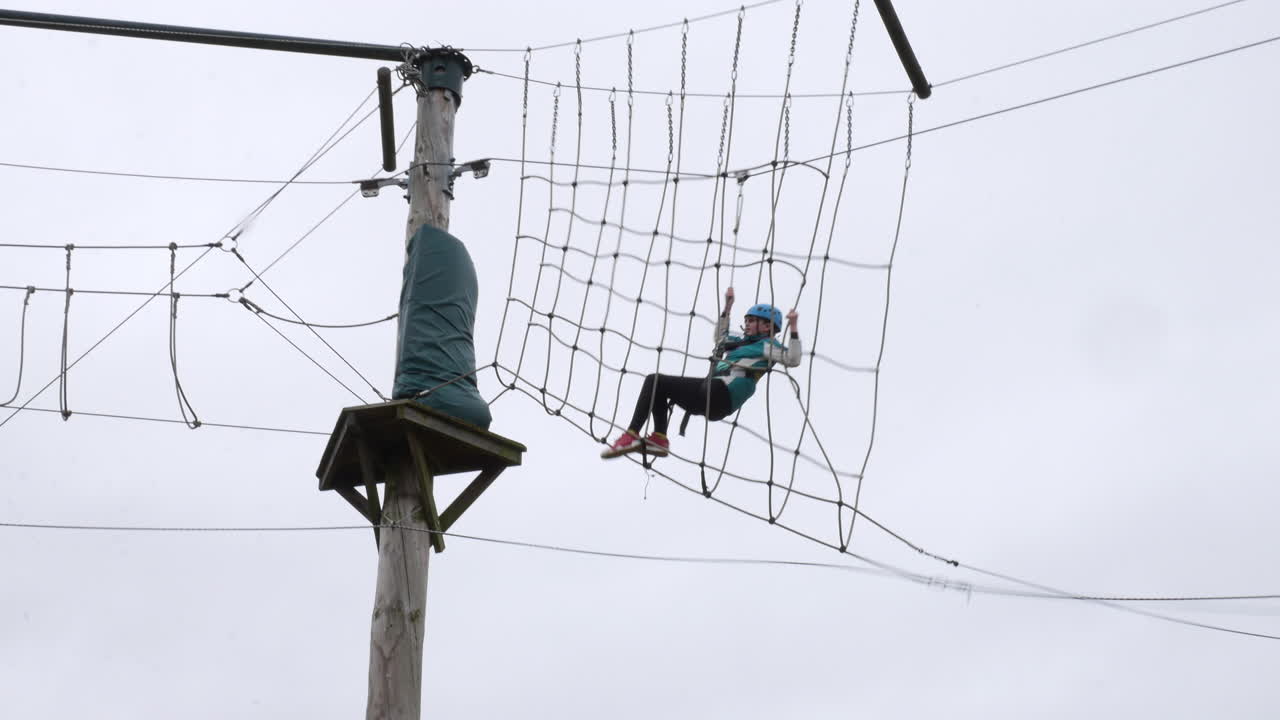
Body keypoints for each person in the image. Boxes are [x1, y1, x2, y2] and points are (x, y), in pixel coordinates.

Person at [601, 287, 802, 459]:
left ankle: (638, 436)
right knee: (656, 383)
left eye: (752, 320)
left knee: (704, 384)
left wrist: (793, 327)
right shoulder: (737, 342)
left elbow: (792, 359)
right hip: (708, 395)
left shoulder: (768, 346)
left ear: (767, 326)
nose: (747, 324)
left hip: (723, 395)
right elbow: (719, 336)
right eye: (746, 320)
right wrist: (728, 307)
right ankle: (656, 438)